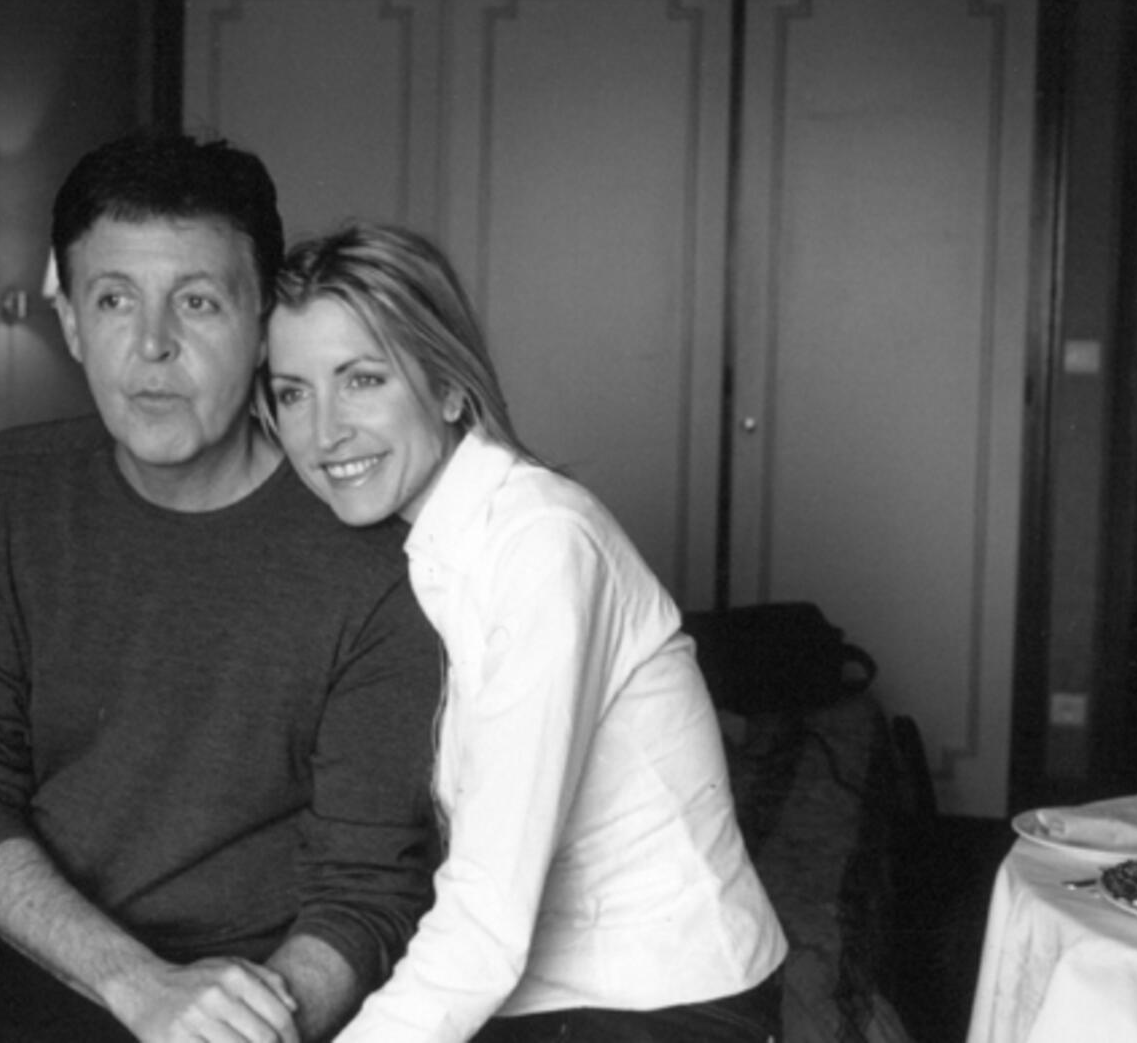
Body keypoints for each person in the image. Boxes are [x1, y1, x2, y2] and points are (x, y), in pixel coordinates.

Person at [0, 137, 443, 1043]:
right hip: (18, 963)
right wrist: (134, 982)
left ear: (262, 324)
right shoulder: (5, 492)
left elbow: (365, 891)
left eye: (197, 301)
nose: (153, 345)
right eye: (115, 299)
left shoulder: (376, 557)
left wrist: (241, 1028)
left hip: (241, 991)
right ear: (74, 322)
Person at [264, 222, 789, 1043]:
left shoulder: (542, 545)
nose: (324, 431)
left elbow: (483, 924)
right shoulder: (426, 545)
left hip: (666, 1002)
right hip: (548, 1001)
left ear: (449, 387)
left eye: (362, 379)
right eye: (293, 392)